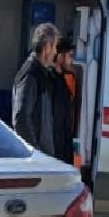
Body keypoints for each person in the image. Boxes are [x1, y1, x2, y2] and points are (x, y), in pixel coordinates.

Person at [12, 23, 58, 155]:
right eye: (54, 47)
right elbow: (21, 120)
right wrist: (36, 153)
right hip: (36, 162)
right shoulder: (30, 74)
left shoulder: (41, 74)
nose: (55, 52)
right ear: (47, 47)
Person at [49, 35, 78, 164]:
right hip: (56, 151)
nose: (72, 61)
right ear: (60, 57)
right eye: (70, 56)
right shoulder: (51, 81)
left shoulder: (61, 79)